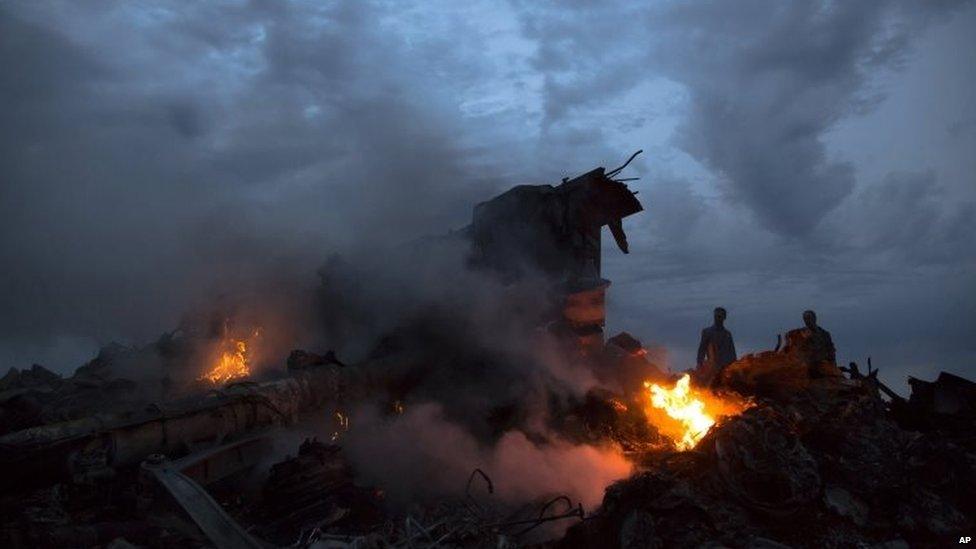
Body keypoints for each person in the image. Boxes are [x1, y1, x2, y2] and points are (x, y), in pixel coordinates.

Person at [696, 307, 737, 387]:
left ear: (724, 318)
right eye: (716, 316)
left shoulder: (727, 334)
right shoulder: (707, 332)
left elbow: (732, 351)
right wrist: (699, 363)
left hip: (725, 368)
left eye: (719, 316)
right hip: (712, 367)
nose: (717, 318)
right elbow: (702, 349)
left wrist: (733, 366)